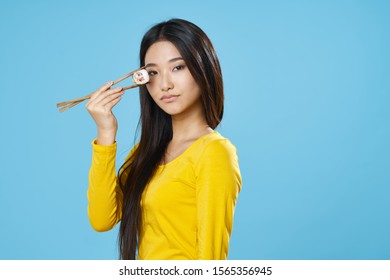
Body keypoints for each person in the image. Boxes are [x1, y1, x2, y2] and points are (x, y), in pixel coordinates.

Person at [86, 18, 242, 260]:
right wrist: (106, 134)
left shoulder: (214, 152)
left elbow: (211, 259)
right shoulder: (145, 152)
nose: (165, 84)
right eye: (153, 73)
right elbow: (102, 219)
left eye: (178, 67)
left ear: (204, 68)